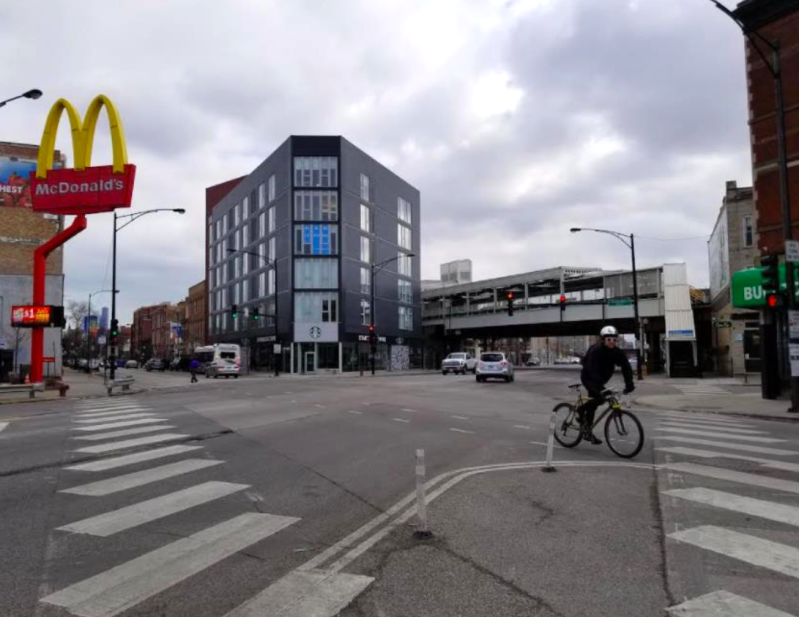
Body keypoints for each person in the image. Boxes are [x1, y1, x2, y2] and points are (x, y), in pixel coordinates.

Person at [578, 325, 635, 445]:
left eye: (614, 339)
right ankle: (581, 410)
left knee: (594, 403)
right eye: (609, 339)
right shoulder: (595, 350)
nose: (611, 342)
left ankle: (587, 430)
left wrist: (629, 384)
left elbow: (626, 368)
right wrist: (601, 388)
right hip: (588, 377)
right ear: (603, 339)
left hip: (600, 380)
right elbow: (591, 369)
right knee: (600, 398)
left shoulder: (617, 353)